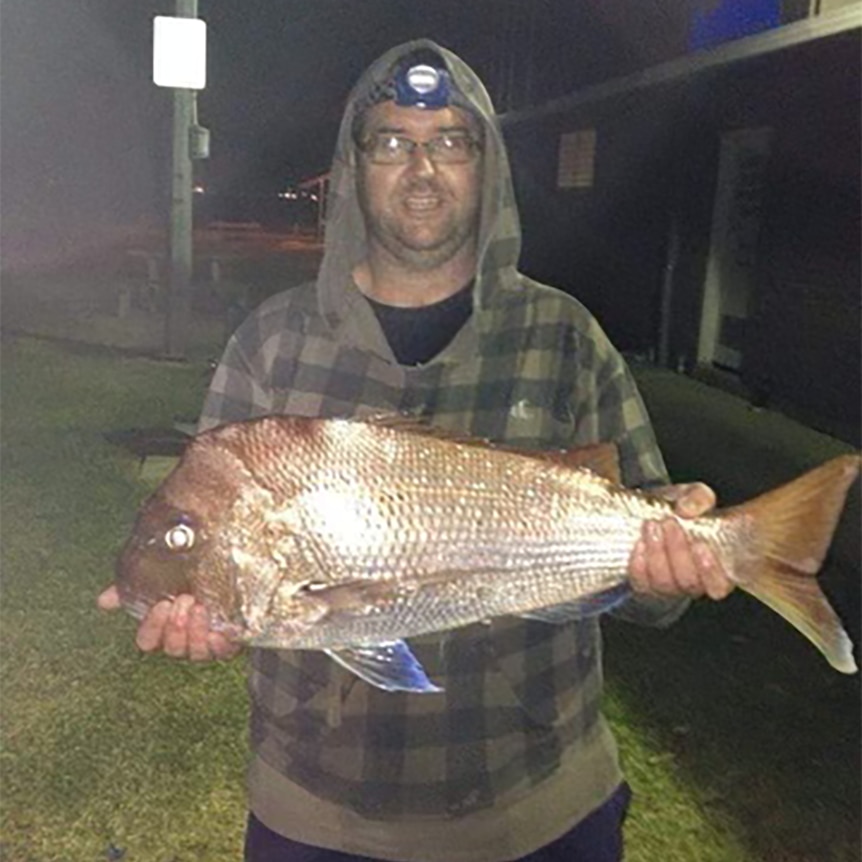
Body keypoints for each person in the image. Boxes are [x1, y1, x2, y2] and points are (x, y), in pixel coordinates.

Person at [99, 40, 733, 862]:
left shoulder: (566, 338)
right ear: (354, 166)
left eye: (451, 142)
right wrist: (210, 616)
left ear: (487, 167)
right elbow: (224, 547)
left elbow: (653, 588)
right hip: (318, 818)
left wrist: (673, 566)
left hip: (542, 807)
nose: (422, 167)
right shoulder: (272, 343)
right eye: (393, 141)